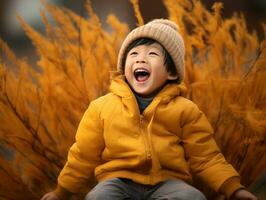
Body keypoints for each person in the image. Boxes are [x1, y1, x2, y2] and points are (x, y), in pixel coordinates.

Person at [41, 19, 257, 200]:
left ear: (171, 73)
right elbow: (82, 155)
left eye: (152, 54)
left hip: (168, 182)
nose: (141, 58)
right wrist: (62, 192)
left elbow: (206, 156)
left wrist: (234, 188)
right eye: (133, 54)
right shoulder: (101, 108)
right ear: (124, 67)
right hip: (117, 181)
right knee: (98, 197)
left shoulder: (186, 110)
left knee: (192, 197)